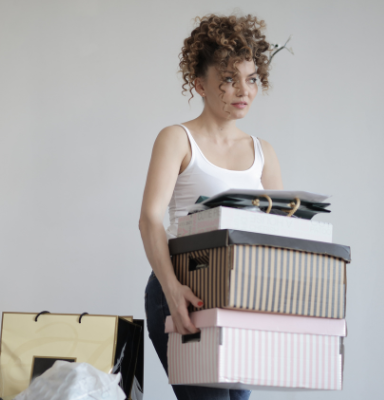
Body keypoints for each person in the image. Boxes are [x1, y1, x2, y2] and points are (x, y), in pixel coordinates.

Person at [138, 14, 284, 400]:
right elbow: (150, 219)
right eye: (229, 78)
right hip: (185, 290)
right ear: (200, 84)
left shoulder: (263, 152)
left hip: (242, 299)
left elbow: (279, 234)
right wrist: (171, 292)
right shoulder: (177, 139)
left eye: (251, 78)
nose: (244, 90)